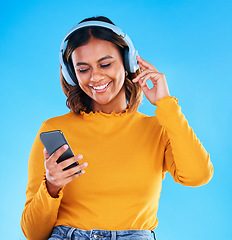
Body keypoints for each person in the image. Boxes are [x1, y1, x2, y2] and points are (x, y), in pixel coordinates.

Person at [21, 16, 213, 240]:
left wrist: (166, 104)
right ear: (71, 74)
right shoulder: (54, 129)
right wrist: (52, 186)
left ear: (128, 62)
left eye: (105, 64)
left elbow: (198, 176)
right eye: (83, 69)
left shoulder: (158, 129)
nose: (95, 77)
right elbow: (33, 234)